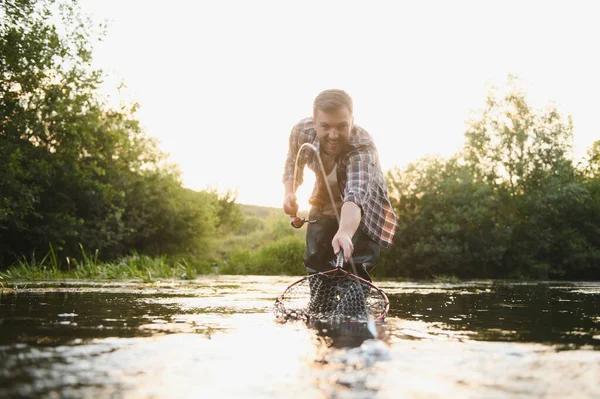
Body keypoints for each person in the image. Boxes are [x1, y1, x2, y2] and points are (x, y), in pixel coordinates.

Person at [282, 89, 397, 283]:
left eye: (342, 126)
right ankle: (320, 311)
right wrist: (289, 193)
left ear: (352, 121)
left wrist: (344, 231)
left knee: (354, 273)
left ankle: (353, 312)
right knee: (316, 266)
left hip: (363, 211)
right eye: (325, 126)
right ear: (314, 122)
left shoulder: (363, 145)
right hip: (323, 202)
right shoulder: (301, 132)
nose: (333, 135)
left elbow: (355, 193)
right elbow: (292, 163)